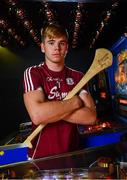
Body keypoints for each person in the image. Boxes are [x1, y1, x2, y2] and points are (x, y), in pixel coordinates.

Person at [23, 23, 97, 159]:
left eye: (61, 43)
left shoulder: (78, 77)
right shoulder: (33, 73)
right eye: (51, 42)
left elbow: (90, 117)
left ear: (67, 48)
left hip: (73, 152)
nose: (57, 48)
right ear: (43, 47)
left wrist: (50, 109)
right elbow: (38, 115)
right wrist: (75, 102)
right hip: (41, 155)